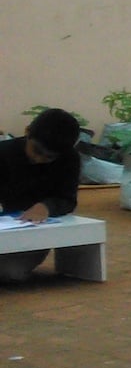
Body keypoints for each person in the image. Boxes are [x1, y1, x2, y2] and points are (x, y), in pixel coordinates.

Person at [0, 108, 83, 282]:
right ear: (27, 132)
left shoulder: (69, 160)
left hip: (34, 231)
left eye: (48, 157)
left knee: (10, 272)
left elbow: (67, 199)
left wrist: (46, 206)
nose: (38, 160)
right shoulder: (4, 152)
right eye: (36, 151)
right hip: (5, 223)